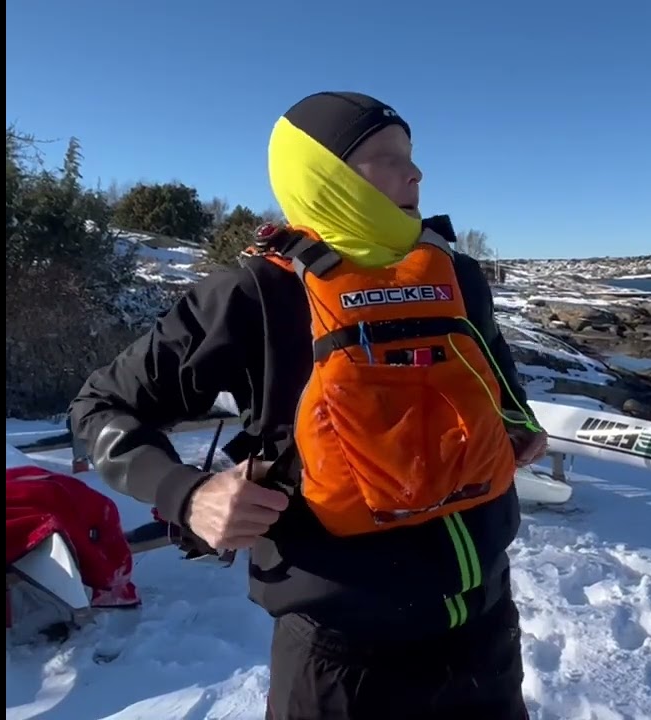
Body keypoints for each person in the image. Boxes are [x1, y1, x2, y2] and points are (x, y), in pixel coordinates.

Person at [70, 90, 547, 720]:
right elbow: (99, 407)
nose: (415, 173)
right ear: (323, 175)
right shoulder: (255, 292)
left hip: (485, 634)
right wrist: (187, 494)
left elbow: (499, 380)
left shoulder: (455, 276)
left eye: (412, 155)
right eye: (386, 156)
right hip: (342, 664)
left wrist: (516, 425)